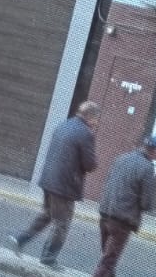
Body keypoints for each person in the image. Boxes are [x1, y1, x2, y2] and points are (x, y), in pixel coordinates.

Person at [72, 132, 156, 277]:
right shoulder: (147, 168)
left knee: (108, 259)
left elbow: (109, 183)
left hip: (105, 213)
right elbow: (146, 203)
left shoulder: (122, 158)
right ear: (154, 151)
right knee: (108, 261)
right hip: (122, 221)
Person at [8, 101, 99, 268]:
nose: (96, 123)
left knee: (48, 215)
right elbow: (90, 164)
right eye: (96, 119)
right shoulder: (86, 133)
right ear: (90, 117)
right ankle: (48, 258)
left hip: (49, 180)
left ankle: (20, 239)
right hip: (65, 185)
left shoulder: (63, 126)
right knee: (62, 223)